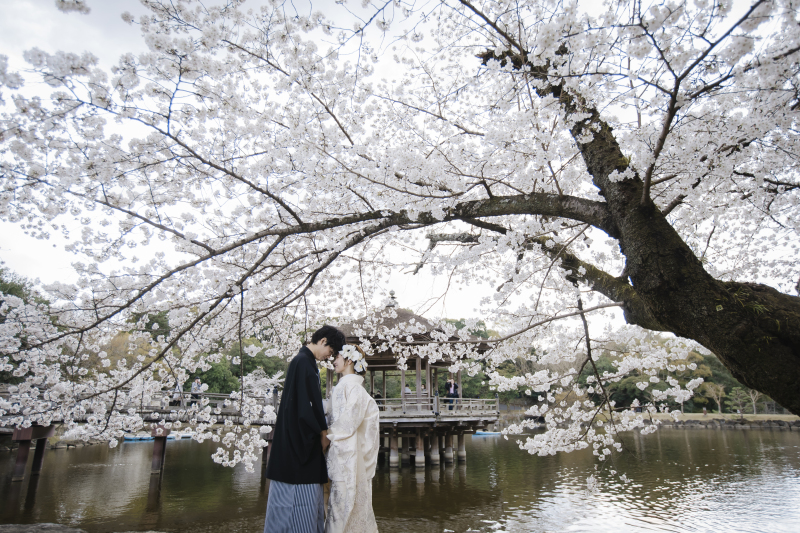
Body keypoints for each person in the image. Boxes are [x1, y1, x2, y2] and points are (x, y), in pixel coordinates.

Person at [264, 325, 345, 533]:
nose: (330, 356)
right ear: (323, 341)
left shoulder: (304, 362)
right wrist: (322, 432)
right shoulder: (303, 363)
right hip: (297, 441)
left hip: (294, 436)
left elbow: (306, 404)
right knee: (297, 505)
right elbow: (304, 408)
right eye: (331, 351)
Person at [325, 345, 380, 533]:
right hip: (349, 453)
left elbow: (347, 424)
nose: (334, 359)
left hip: (346, 455)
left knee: (341, 507)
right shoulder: (351, 387)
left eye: (338, 356)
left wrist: (325, 437)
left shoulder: (349, 387)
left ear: (349, 360)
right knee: (347, 506)